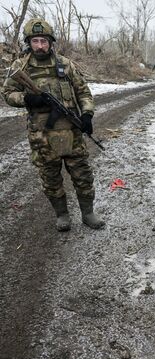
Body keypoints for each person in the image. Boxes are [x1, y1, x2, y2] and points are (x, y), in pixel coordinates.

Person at [1, 18, 104, 231]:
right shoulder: (20, 66)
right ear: (29, 42)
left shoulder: (65, 65)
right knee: (50, 178)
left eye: (44, 41)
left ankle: (88, 213)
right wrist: (27, 99)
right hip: (42, 136)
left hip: (71, 132)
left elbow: (83, 91)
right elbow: (8, 93)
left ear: (51, 42)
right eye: (35, 41)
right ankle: (62, 215)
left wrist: (87, 114)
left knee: (82, 174)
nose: (40, 45)